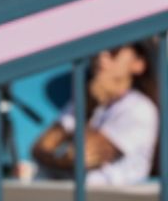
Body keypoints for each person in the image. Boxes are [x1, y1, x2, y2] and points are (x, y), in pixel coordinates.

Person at [32, 41, 159, 185]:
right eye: (96, 49)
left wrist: (53, 158)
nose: (101, 56)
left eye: (113, 50)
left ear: (138, 63)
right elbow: (39, 148)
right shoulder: (86, 100)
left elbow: (84, 157)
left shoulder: (139, 108)